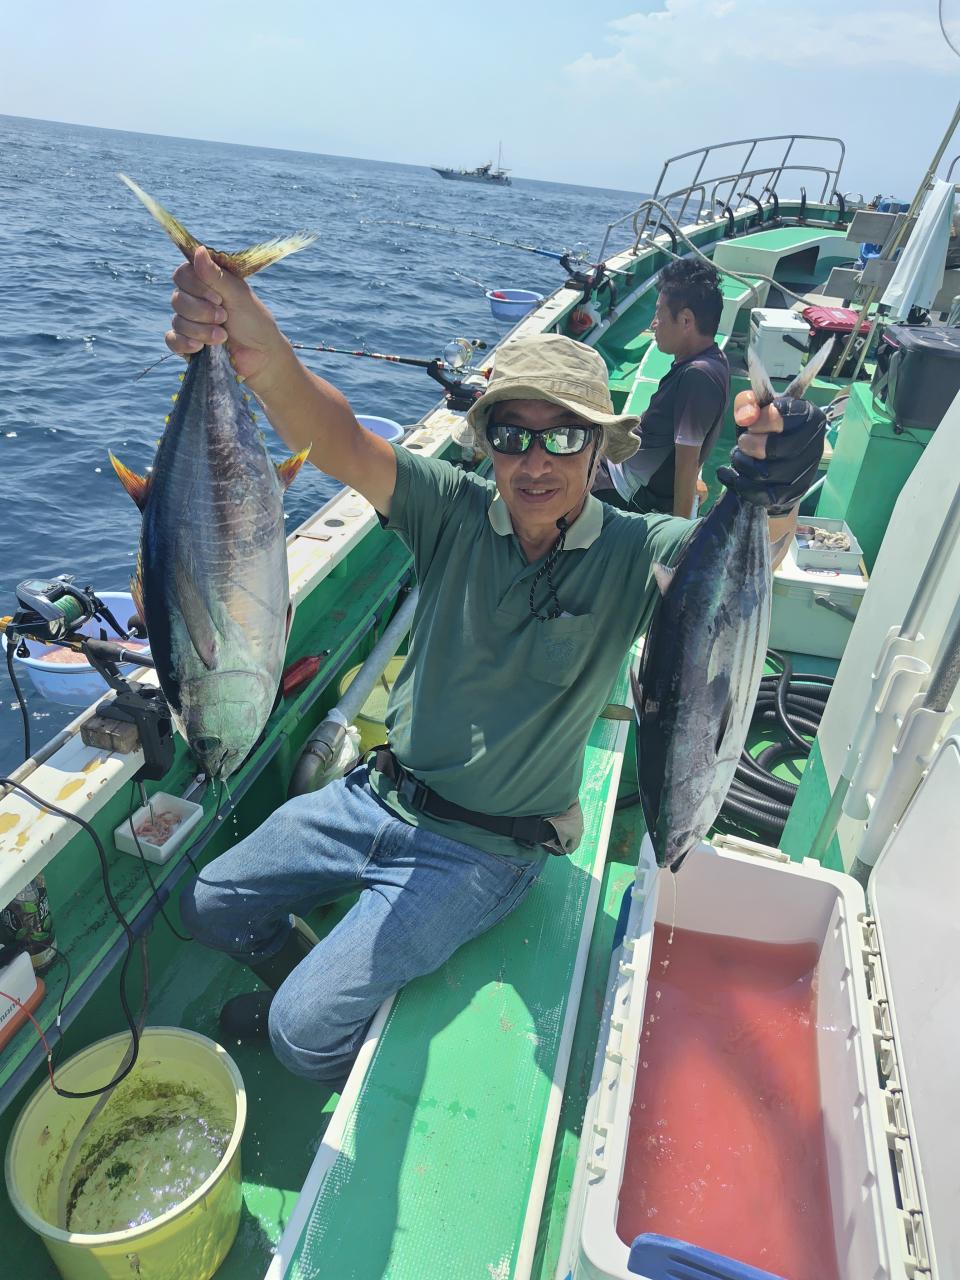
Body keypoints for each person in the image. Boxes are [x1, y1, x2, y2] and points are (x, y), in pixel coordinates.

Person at [168, 246, 826, 1086]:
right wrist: (250, 342)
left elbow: (734, 572)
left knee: (301, 1036)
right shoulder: (450, 508)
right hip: (372, 795)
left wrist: (778, 490)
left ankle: (327, 1035)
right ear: (488, 447)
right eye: (513, 436)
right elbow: (333, 437)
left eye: (564, 437)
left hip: (481, 853)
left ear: (599, 449)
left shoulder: (637, 551)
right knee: (208, 903)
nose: (536, 462)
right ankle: (310, 984)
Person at [594, 258, 730, 518]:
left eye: (659, 314)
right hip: (619, 467)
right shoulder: (713, 360)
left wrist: (676, 531)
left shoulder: (697, 376)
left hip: (618, 488)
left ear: (686, 320)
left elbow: (687, 462)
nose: (653, 324)